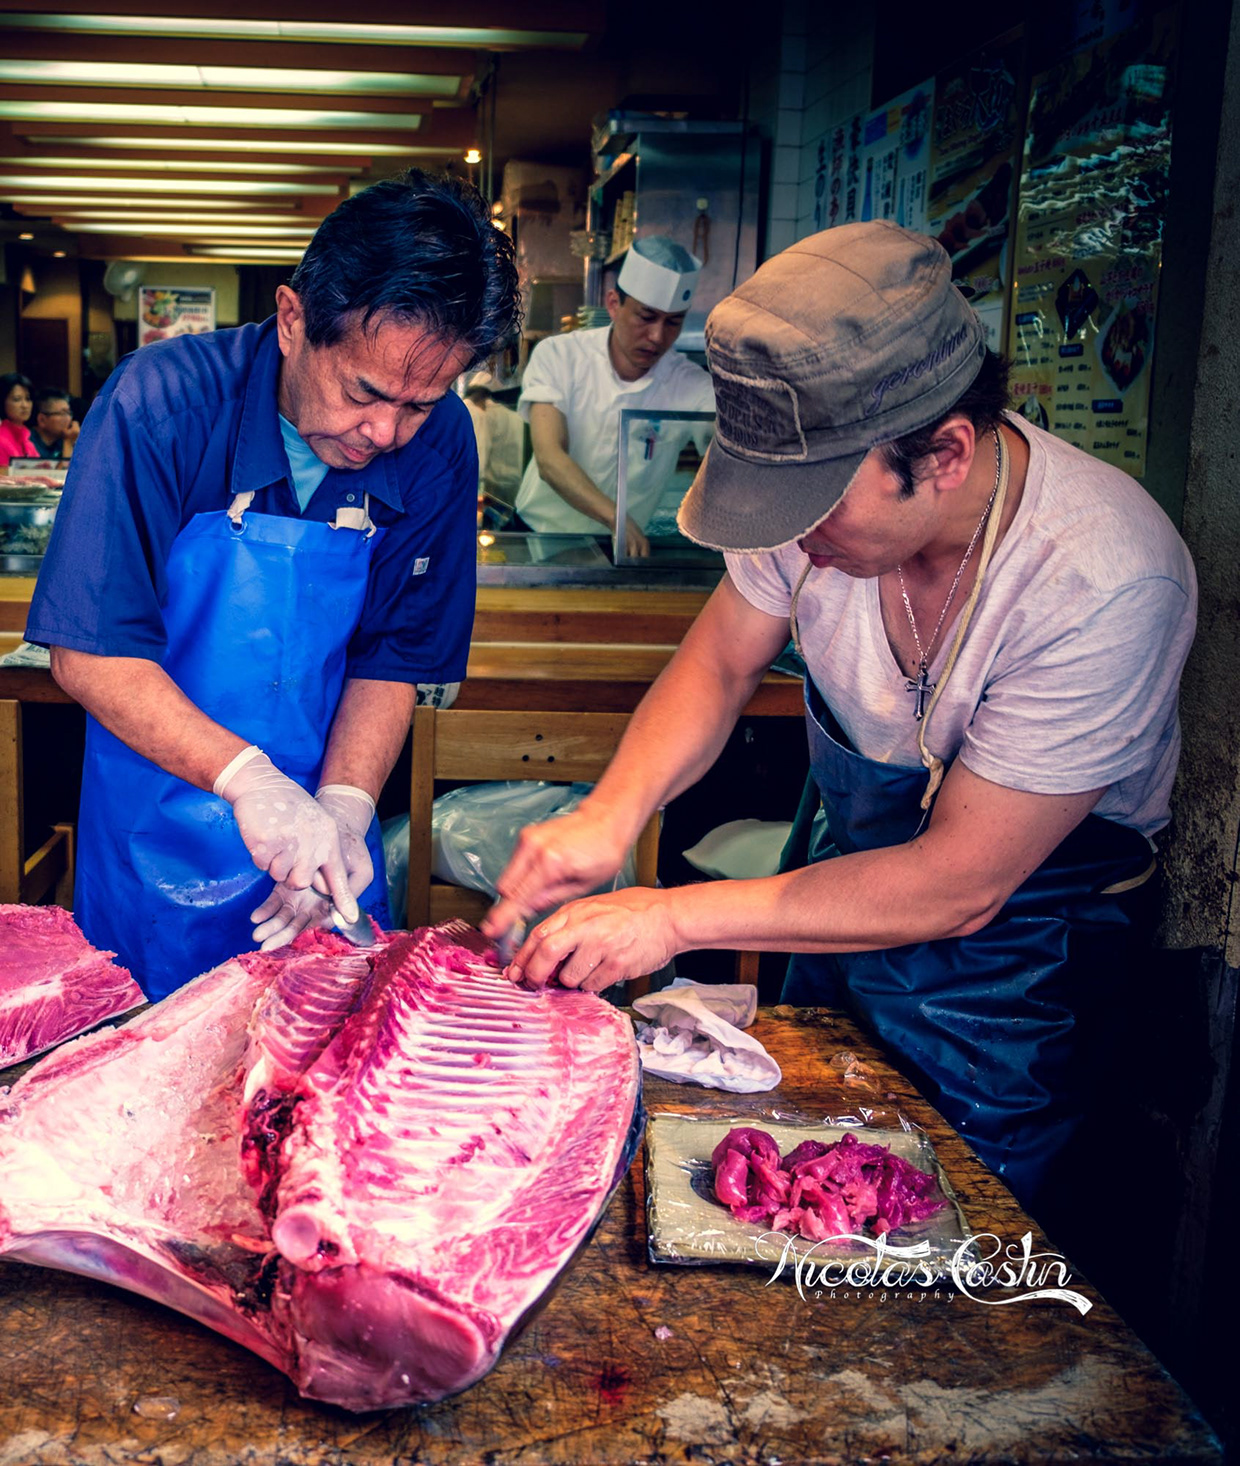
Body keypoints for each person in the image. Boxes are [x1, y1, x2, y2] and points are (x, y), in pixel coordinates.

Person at [485, 222, 1197, 1205]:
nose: (792, 537)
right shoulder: (812, 507)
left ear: (944, 454)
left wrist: (669, 917)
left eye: (815, 507)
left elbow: (960, 882)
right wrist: (609, 816)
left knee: (950, 1219)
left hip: (1020, 957)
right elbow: (721, 663)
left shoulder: (1104, 578)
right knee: (798, 1166)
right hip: (840, 885)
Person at [26, 168, 519, 999]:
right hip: (153, 836)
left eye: (420, 405)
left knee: (329, 1055)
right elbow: (91, 652)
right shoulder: (160, 405)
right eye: (365, 392)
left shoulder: (440, 445)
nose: (385, 432)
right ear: (293, 321)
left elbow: (392, 658)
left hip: (325, 852)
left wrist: (345, 810)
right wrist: (249, 781)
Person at [512, 237, 715, 557]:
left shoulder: (688, 383)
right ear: (613, 304)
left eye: (673, 322)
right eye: (646, 317)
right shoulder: (559, 355)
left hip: (619, 552)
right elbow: (549, 458)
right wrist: (615, 518)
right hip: (538, 539)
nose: (657, 336)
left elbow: (723, 445)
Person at [463, 370, 522, 509]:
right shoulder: (515, 416)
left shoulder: (474, 412)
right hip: (513, 482)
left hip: (492, 485)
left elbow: (481, 453)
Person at [0, 373, 37, 471]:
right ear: (1, 402)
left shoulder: (28, 443)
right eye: (17, 399)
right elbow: (0, 480)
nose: (25, 405)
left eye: (28, 399)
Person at [28, 387, 79, 463]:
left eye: (69, 413)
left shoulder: (64, 439)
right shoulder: (27, 442)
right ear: (42, 420)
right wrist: (68, 442)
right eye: (63, 413)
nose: (69, 419)